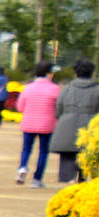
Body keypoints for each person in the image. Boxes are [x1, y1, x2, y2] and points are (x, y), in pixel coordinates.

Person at [49, 58, 98, 184]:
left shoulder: (66, 89)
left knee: (67, 156)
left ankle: (68, 180)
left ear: (75, 72)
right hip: (90, 128)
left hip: (67, 126)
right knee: (87, 156)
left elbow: (59, 108)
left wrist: (63, 118)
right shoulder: (97, 89)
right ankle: (82, 179)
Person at [14, 60, 60, 188]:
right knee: (43, 151)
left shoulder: (28, 87)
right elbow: (58, 108)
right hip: (47, 124)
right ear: (49, 73)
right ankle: (37, 179)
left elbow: (20, 107)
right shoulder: (55, 88)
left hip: (29, 123)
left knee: (26, 149)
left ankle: (23, 167)